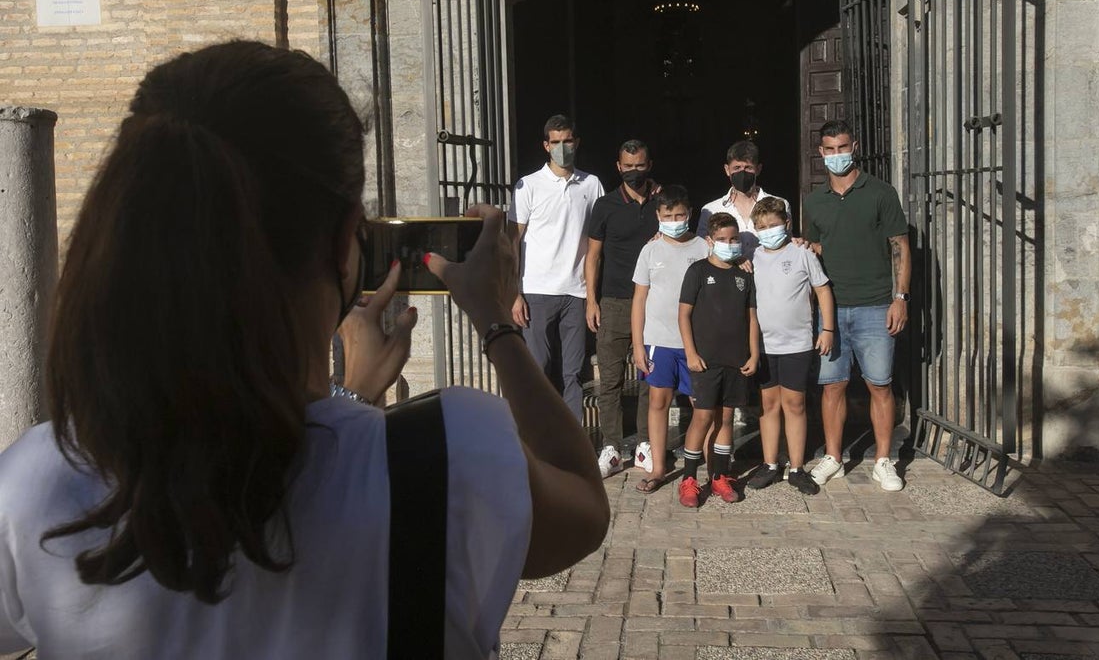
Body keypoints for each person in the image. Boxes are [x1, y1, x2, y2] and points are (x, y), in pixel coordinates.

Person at [0, 41, 609, 659]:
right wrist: (496, 324)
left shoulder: (39, 484)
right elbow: (585, 509)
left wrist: (351, 395)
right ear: (348, 239)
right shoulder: (451, 454)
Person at [804, 119, 911, 492]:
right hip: (832, 310)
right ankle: (833, 456)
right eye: (830, 149)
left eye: (843, 147)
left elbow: (901, 247)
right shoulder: (813, 201)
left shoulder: (880, 193)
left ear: (855, 146)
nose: (837, 155)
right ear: (821, 153)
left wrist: (900, 298)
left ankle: (884, 460)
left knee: (879, 385)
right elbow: (814, 251)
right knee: (832, 386)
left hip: (875, 306)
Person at [509, 115, 605, 421]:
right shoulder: (529, 186)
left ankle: (573, 444)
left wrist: (591, 298)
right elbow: (512, 242)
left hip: (575, 293)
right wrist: (515, 294)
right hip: (536, 292)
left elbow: (600, 240)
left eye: (567, 141)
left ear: (576, 143)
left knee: (573, 373)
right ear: (546, 145)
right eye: (556, 142)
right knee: (538, 370)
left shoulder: (591, 185)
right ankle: (538, 439)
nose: (562, 147)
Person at [744, 197, 835, 496]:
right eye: (762, 227)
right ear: (755, 229)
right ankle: (770, 464)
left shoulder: (801, 253)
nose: (769, 230)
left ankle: (796, 467)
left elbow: (821, 289)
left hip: (796, 343)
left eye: (774, 225)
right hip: (764, 345)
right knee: (768, 405)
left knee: (794, 404)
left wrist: (827, 329)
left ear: (786, 223)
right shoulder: (752, 257)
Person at [585, 139, 660, 477]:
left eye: (639, 165)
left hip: (654, 302)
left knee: (650, 376)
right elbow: (593, 256)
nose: (634, 172)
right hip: (614, 301)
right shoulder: (605, 206)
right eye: (628, 166)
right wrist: (591, 300)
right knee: (611, 379)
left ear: (649, 164)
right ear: (618, 167)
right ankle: (612, 447)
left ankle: (646, 443)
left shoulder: (663, 202)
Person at [630, 185, 710, 494]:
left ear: (689, 214)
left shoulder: (704, 247)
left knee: (701, 405)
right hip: (657, 342)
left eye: (679, 215)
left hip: (695, 342)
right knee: (658, 401)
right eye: (667, 216)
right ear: (658, 216)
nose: (674, 220)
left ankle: (703, 463)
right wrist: (638, 346)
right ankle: (659, 467)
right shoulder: (650, 250)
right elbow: (639, 299)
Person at [677, 212, 760, 507]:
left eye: (734, 239)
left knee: (726, 418)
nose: (729, 244)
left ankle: (719, 477)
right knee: (701, 418)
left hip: (735, 360)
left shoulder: (743, 275)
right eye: (722, 239)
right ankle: (688, 479)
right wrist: (690, 352)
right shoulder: (698, 271)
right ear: (710, 241)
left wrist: (754, 353)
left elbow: (751, 318)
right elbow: (684, 314)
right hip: (705, 361)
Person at [697, 139, 791, 256]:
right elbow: (703, 251)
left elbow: (787, 244)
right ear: (727, 170)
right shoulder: (710, 210)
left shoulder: (779, 204)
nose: (743, 172)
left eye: (748, 168)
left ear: (758, 169)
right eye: (737, 168)